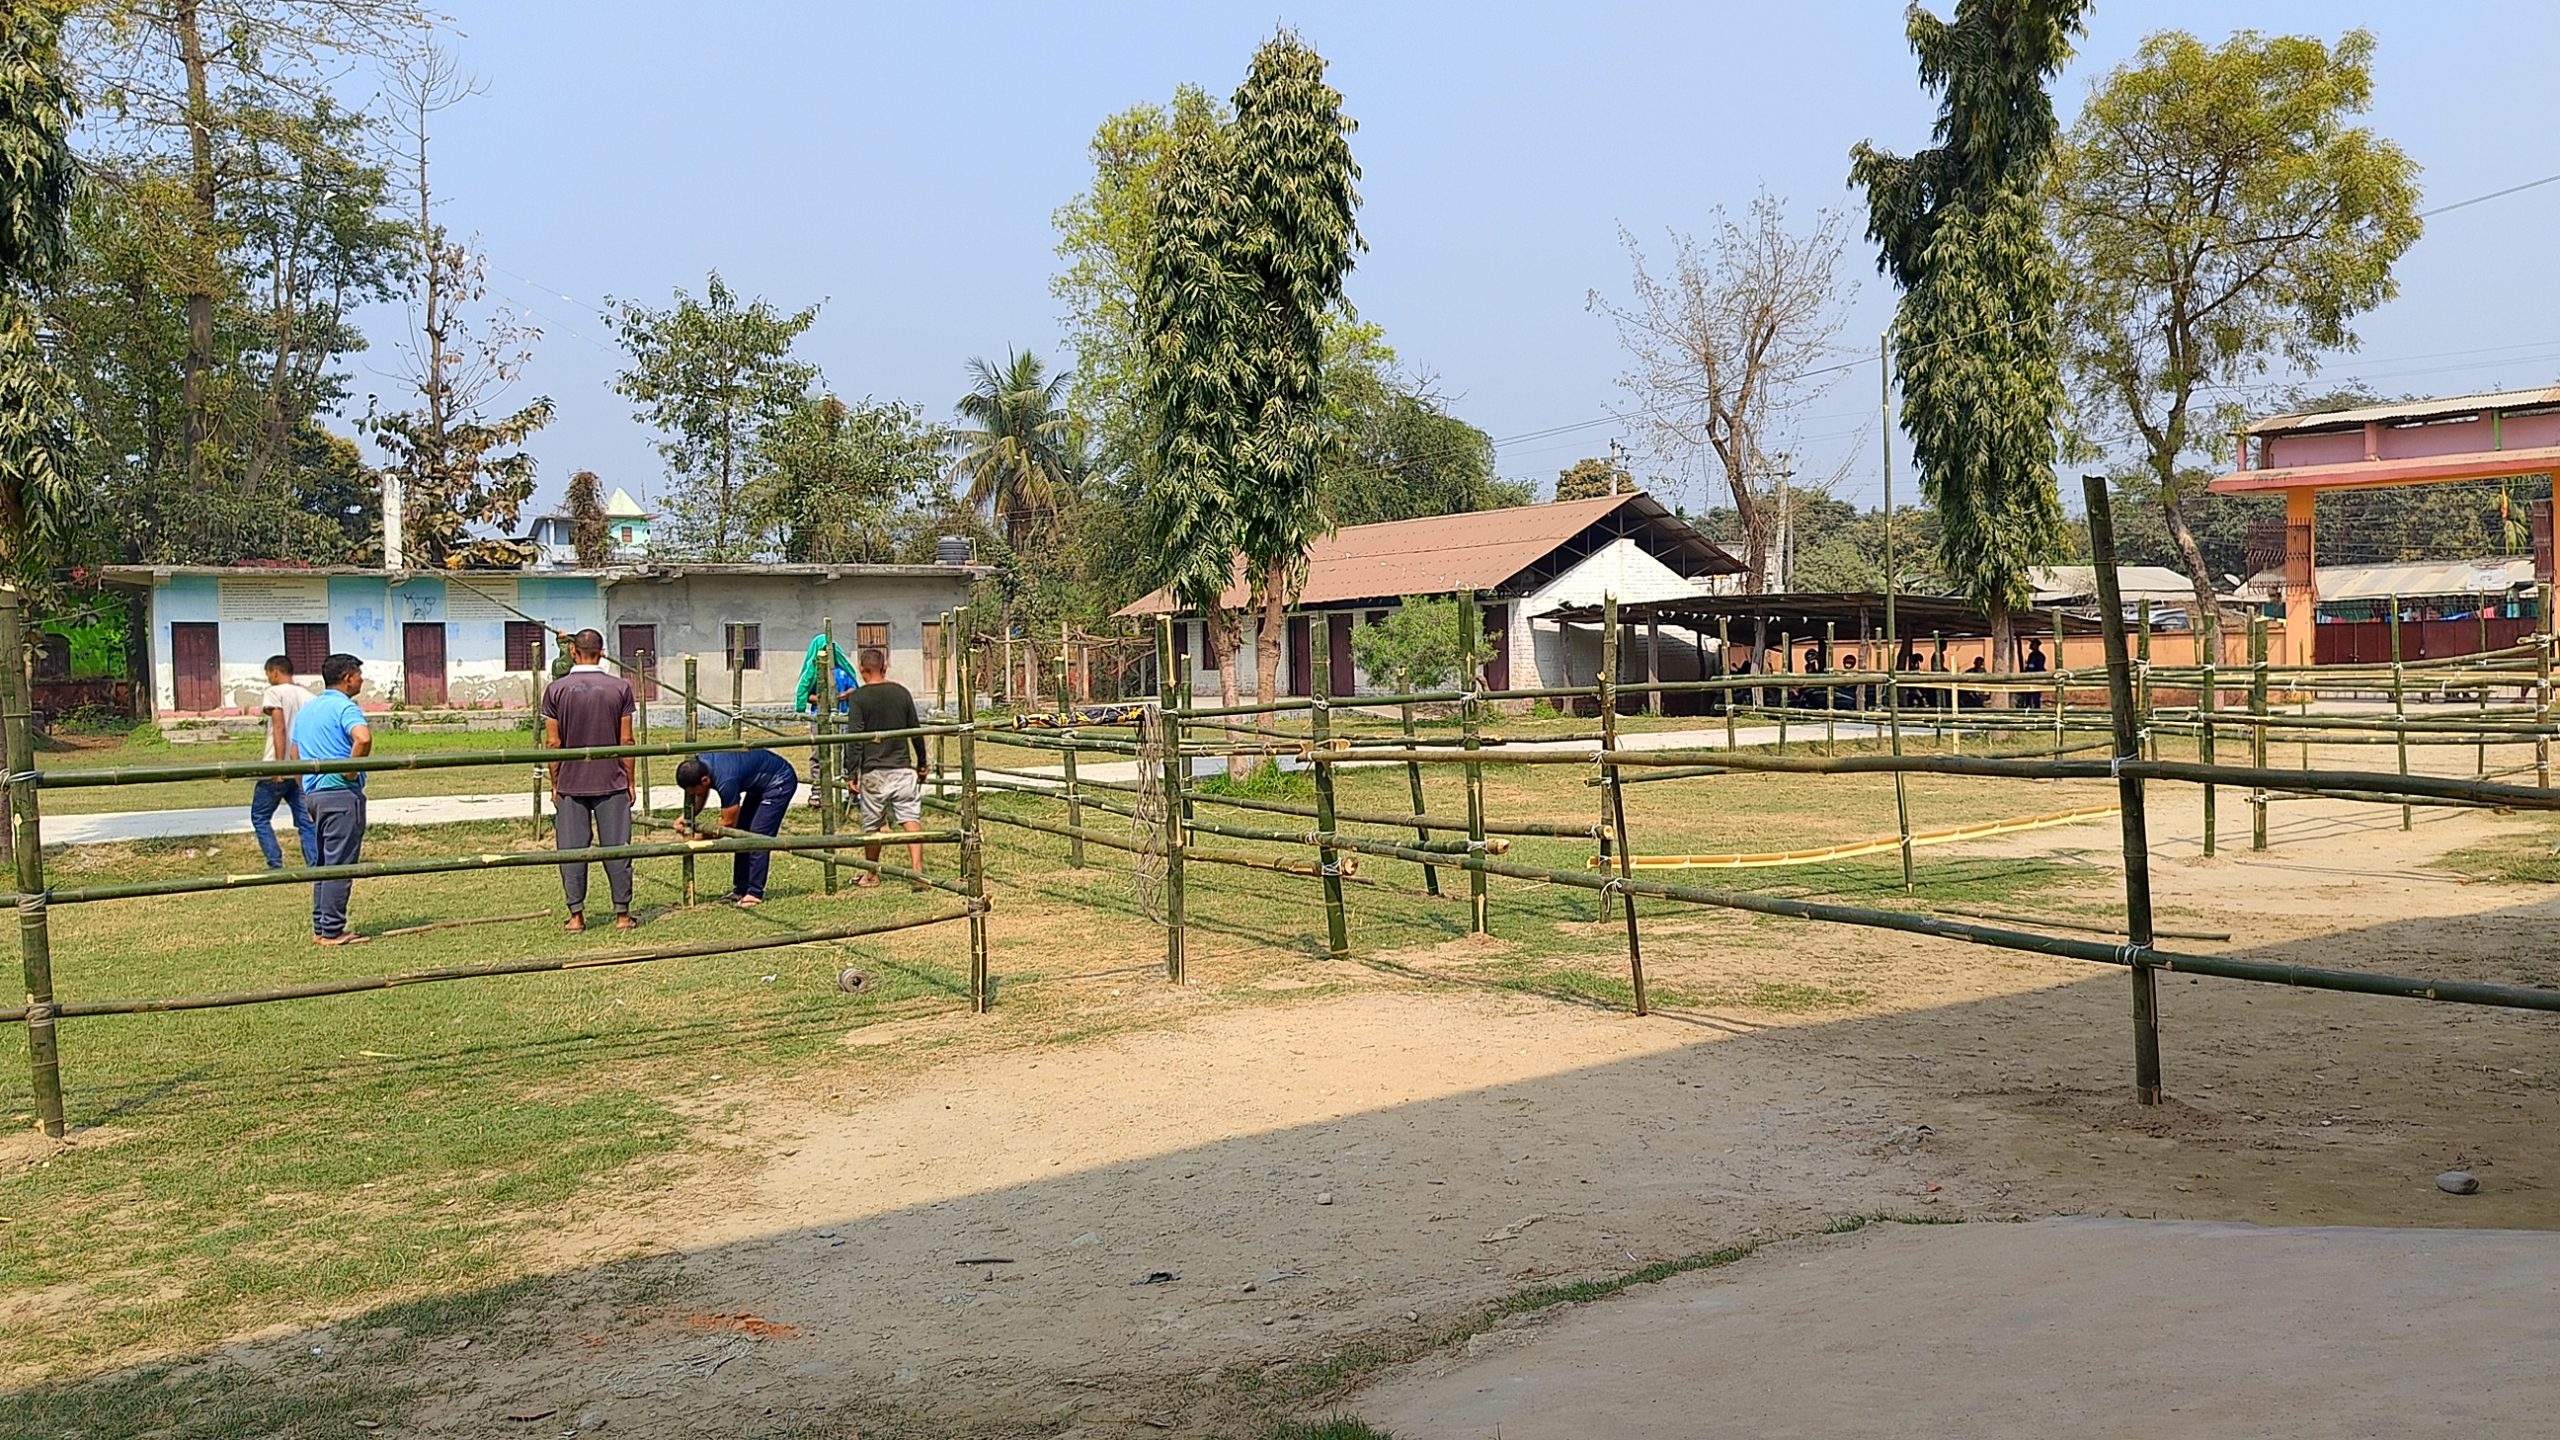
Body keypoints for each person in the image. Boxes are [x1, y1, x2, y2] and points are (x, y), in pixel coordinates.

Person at [542, 628, 638, 932]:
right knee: (617, 848)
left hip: (571, 783)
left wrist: (555, 782)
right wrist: (630, 780)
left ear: (573, 651)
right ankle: (622, 915)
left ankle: (576, 916)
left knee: (571, 850)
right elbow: (626, 740)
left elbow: (553, 743)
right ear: (602, 652)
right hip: (612, 781)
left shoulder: (555, 690)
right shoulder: (620, 688)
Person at [291, 653, 373, 944]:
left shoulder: (308, 710)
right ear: (348, 678)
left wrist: (306, 790)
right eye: (359, 674)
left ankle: (321, 926)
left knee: (325, 863)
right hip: (341, 795)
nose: (362, 680)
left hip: (315, 794)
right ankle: (333, 930)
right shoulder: (345, 707)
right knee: (341, 864)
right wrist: (349, 772)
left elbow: (294, 755)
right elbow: (362, 738)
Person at [844, 647, 928, 888]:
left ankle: (872, 874)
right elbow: (915, 731)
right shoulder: (901, 693)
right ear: (884, 666)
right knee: (910, 818)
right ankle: (918, 871)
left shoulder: (859, 698)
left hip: (874, 771)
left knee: (872, 825)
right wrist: (922, 762)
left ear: (861, 669)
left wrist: (852, 772)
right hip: (902, 768)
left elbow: (855, 739)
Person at [673, 747, 800, 906]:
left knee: (758, 837)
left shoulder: (726, 781)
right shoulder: (700, 764)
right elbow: (701, 792)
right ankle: (740, 889)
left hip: (779, 781)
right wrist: (685, 817)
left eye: (693, 791)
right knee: (742, 833)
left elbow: (727, 825)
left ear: (705, 780)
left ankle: (754, 893)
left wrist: (697, 839)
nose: (693, 795)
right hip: (758, 785)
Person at [251, 654, 317, 871]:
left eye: (268, 674)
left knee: (260, 816)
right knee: (305, 820)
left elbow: (279, 727)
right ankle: (314, 862)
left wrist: (279, 765)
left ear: (274, 672)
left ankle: (275, 861)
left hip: (278, 764)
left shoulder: (274, 693)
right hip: (301, 766)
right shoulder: (307, 695)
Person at [2020, 637, 2048, 710]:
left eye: (2032, 644)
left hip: (2035, 677)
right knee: (2030, 695)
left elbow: (2034, 667)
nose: (2031, 645)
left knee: (2034, 695)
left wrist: (2028, 667)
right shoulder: (2034, 655)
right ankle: (2030, 708)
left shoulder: (2038, 656)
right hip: (2032, 677)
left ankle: (2034, 709)